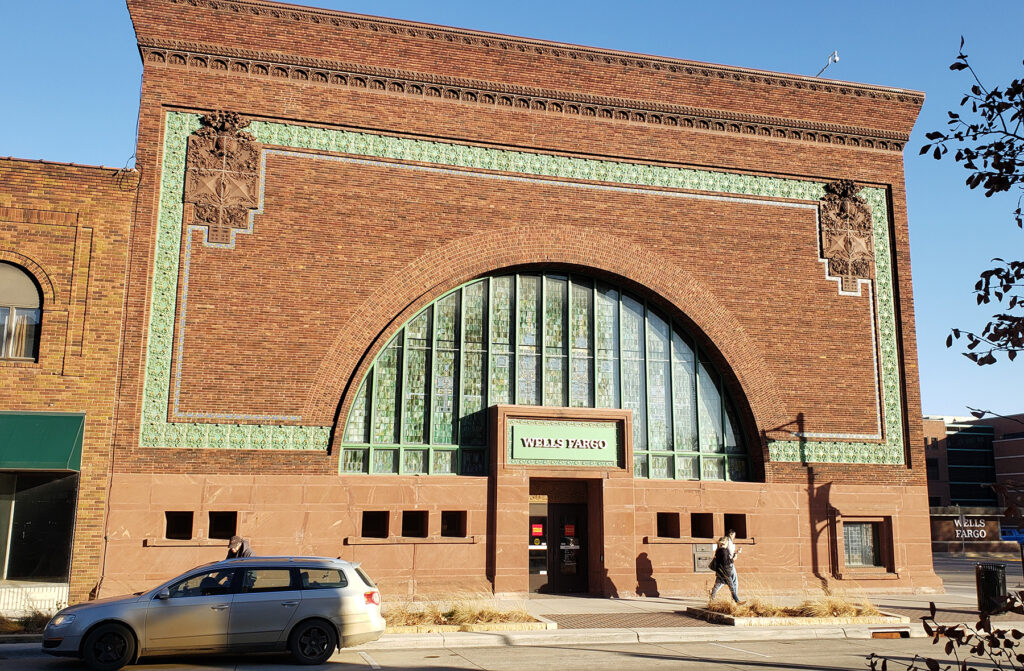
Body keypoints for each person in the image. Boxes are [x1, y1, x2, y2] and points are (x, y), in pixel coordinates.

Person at [709, 536, 740, 602]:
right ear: (726, 543)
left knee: (717, 585)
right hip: (725, 572)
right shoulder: (724, 551)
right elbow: (726, 562)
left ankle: (712, 597)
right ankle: (737, 601)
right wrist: (733, 559)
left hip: (720, 571)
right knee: (732, 587)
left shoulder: (719, 550)